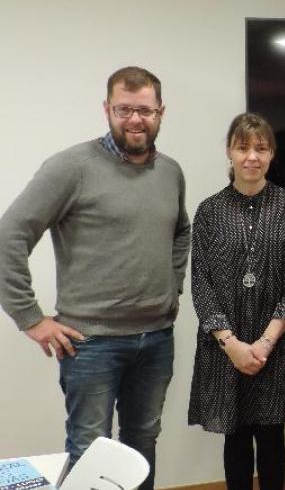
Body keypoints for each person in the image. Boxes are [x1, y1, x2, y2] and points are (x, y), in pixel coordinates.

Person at [0, 66, 190, 490]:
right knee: (90, 449)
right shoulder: (71, 167)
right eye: (124, 109)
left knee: (142, 444)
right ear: (107, 109)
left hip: (156, 339)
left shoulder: (171, 172)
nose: (135, 119)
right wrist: (31, 318)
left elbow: (181, 231)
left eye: (145, 110)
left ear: (161, 112)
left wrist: (172, 286)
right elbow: (9, 234)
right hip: (90, 344)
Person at [188, 113, 285, 490]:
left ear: (272, 154)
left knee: (272, 434)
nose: (251, 156)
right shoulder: (210, 211)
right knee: (236, 432)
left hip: (276, 340)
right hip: (226, 344)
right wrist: (231, 344)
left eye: (261, 148)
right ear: (229, 152)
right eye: (243, 147)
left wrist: (265, 340)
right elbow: (201, 283)